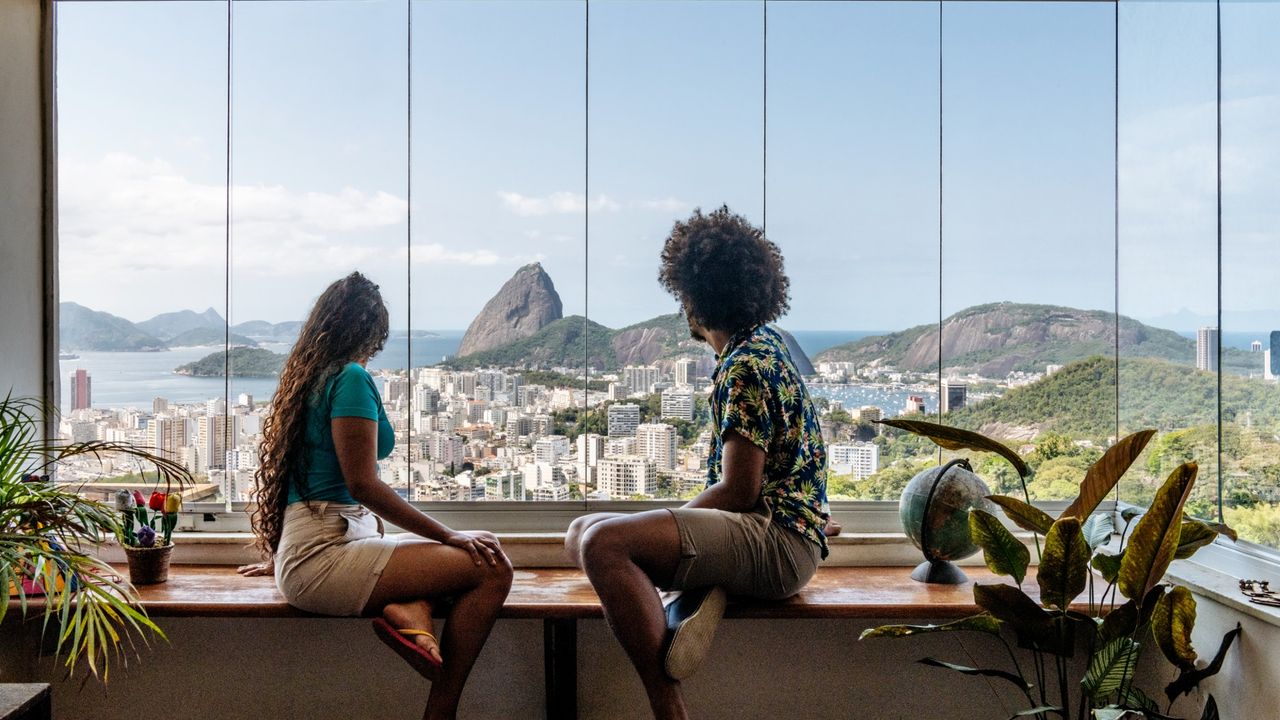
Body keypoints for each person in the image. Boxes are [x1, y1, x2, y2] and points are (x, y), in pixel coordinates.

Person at [565, 206, 830, 720]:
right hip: (774, 532)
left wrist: (677, 523)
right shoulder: (764, 347)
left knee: (604, 542)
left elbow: (737, 492)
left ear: (698, 297)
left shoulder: (746, 365)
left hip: (774, 541)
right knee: (580, 530)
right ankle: (701, 588)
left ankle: (667, 704)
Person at [238, 272, 513, 720]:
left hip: (323, 545)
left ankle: (409, 610)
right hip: (326, 554)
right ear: (371, 331)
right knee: (492, 566)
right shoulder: (349, 378)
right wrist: (448, 534)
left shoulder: (308, 380)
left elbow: (297, 479)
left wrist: (280, 552)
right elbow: (362, 483)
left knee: (479, 543)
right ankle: (443, 706)